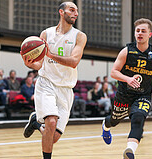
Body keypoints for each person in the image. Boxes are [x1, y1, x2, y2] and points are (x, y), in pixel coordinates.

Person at [101, 18, 152, 159]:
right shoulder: (126, 51)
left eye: (143, 31)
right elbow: (113, 72)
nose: (140, 33)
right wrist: (128, 79)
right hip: (124, 94)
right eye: (137, 31)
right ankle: (106, 125)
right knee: (114, 121)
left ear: (149, 34)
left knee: (138, 118)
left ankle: (130, 151)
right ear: (135, 33)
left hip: (143, 94)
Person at [22, 2, 87, 159]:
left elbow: (73, 62)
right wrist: (28, 62)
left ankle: (35, 122)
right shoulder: (46, 34)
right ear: (61, 12)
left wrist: (51, 55)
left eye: (76, 11)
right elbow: (39, 64)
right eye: (72, 10)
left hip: (66, 89)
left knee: (53, 137)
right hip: (46, 84)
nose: (75, 13)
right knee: (51, 122)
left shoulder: (79, 36)